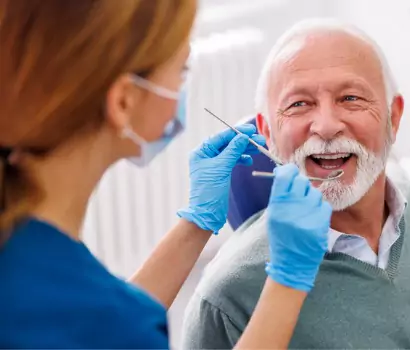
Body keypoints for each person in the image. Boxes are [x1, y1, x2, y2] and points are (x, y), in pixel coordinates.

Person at [0, 2, 334, 348]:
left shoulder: (35, 258)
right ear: (124, 102)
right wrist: (287, 281)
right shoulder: (104, 317)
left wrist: (198, 222)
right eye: (181, 71)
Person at [182, 18, 410, 349]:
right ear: (267, 132)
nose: (327, 126)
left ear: (394, 117)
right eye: (299, 104)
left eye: (350, 98)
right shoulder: (227, 300)